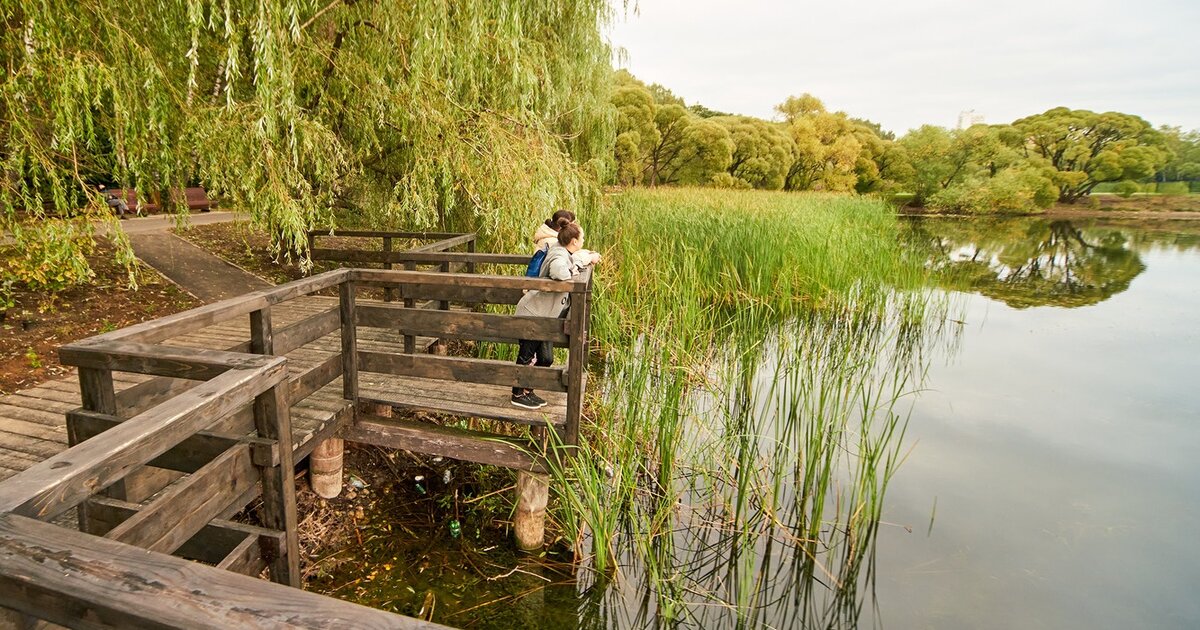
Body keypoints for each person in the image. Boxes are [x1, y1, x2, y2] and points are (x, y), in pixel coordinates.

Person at [511, 218, 600, 409]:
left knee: (545, 358)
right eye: (582, 238)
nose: (583, 240)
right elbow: (560, 272)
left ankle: (527, 389)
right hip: (533, 313)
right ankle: (517, 394)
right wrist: (575, 267)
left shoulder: (563, 250)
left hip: (544, 315)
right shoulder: (558, 253)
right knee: (527, 354)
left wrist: (583, 259)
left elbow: (572, 260)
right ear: (574, 241)